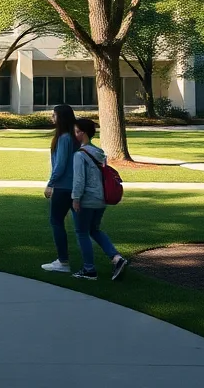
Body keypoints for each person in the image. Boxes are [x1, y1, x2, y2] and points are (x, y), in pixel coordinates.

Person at [71, 118, 129, 281]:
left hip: (87, 199)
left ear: (82, 133)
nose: (75, 134)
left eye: (76, 131)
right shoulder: (99, 153)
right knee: (94, 230)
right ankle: (116, 258)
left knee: (82, 232)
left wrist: (75, 198)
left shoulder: (79, 155)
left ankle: (89, 269)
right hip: (101, 198)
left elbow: (79, 180)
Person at [41, 103, 79, 273]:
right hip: (75, 187)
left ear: (61, 118)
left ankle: (63, 261)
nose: (52, 118)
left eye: (54, 115)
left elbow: (60, 165)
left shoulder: (64, 138)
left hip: (64, 188)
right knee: (85, 227)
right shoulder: (72, 137)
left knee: (56, 222)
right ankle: (114, 256)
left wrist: (51, 183)